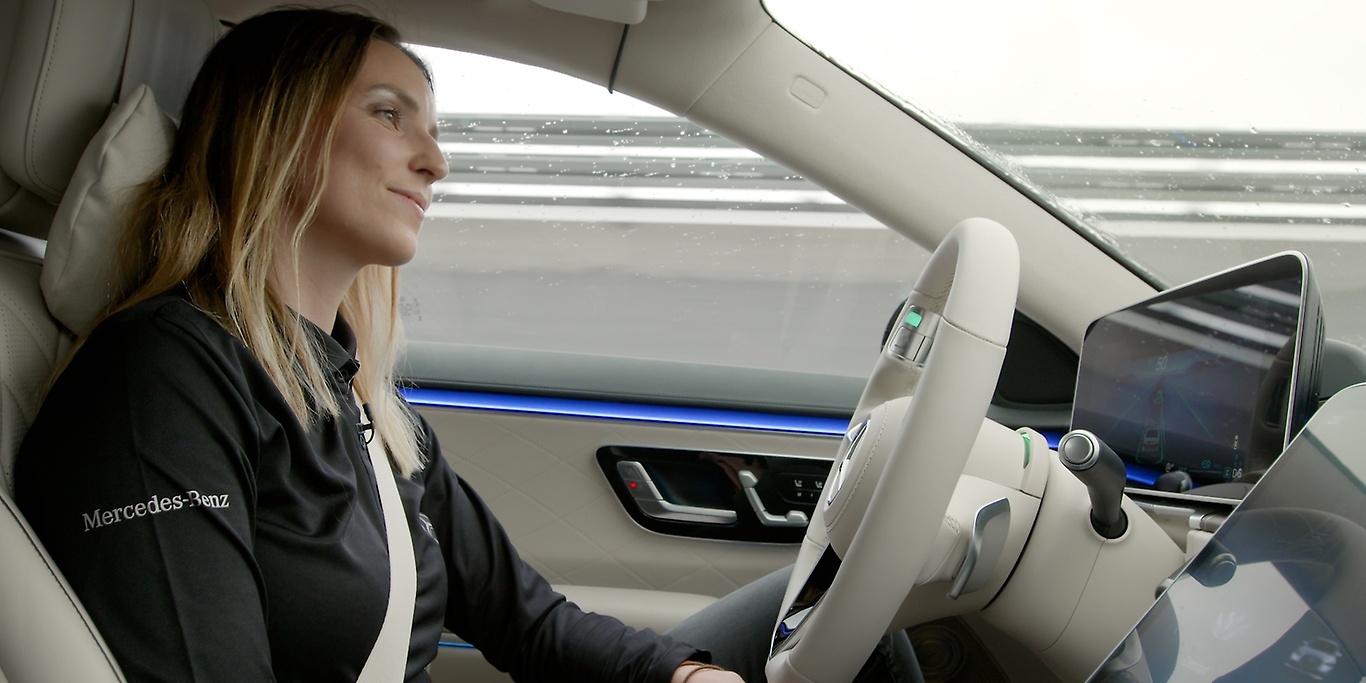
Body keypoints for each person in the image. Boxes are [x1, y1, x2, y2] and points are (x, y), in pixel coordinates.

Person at [15, 7, 918, 683]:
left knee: (848, 624)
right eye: (389, 114)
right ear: (277, 127)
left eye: (434, 130)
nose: (435, 163)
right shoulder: (162, 376)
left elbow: (528, 621)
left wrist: (677, 675)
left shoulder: (364, 402)